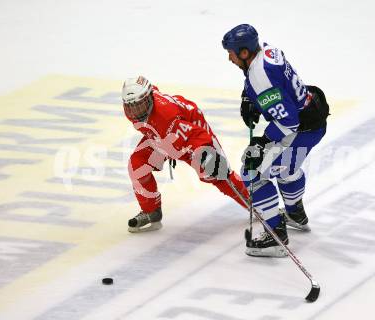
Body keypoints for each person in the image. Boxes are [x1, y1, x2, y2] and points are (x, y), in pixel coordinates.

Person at [222, 24, 329, 257]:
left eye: (231, 52)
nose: (228, 58)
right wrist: (248, 98)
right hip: (312, 120)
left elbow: (288, 122)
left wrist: (262, 142)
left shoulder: (260, 75)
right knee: (285, 168)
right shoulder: (268, 51)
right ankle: (295, 214)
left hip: (300, 130)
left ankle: (275, 236)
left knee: (251, 172)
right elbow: (268, 82)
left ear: (244, 53)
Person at [122, 75, 249, 232]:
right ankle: (151, 211)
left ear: (149, 99)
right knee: (137, 164)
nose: (135, 111)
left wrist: (205, 152)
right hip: (162, 138)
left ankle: (259, 206)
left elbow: (195, 135)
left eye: (139, 105)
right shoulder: (145, 101)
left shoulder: (167, 118)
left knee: (218, 174)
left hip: (190, 135)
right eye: (130, 106)